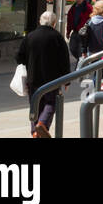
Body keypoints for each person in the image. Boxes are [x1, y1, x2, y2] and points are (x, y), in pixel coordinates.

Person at [16, 10, 71, 138]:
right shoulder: (57, 37)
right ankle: (42, 124)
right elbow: (64, 60)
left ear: (40, 21)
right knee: (51, 103)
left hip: (33, 77)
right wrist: (67, 80)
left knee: (35, 104)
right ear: (54, 23)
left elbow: (19, 57)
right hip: (52, 79)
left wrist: (29, 62)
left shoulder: (30, 36)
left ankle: (35, 132)